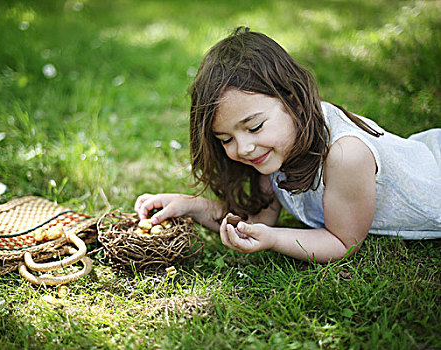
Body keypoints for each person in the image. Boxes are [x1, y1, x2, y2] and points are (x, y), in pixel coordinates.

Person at [134, 27, 441, 263]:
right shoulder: (274, 148)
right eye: (226, 139)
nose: (243, 148)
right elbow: (256, 222)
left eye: (254, 127)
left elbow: (342, 242)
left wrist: (274, 238)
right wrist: (192, 206)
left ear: (292, 100)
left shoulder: (346, 155)